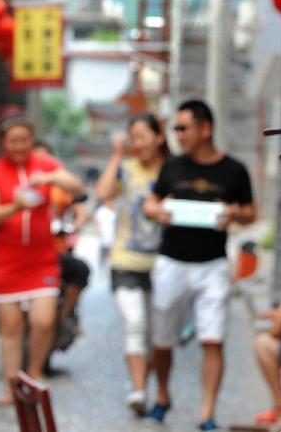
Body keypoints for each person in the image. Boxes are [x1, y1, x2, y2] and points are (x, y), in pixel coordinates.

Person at [142, 100, 256, 431]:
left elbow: (250, 213)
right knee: (162, 338)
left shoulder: (234, 170)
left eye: (183, 128)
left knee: (213, 338)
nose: (177, 135)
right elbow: (151, 202)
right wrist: (157, 211)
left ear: (205, 129)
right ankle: (162, 395)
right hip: (171, 262)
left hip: (213, 265)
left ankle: (207, 413)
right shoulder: (171, 166)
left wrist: (233, 213)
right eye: (175, 129)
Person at [0, 115, 83, 405]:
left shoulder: (45, 165)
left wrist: (50, 178)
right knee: (10, 328)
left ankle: (35, 371)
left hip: (41, 260)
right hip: (6, 261)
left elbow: (75, 185)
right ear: (3, 143)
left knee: (43, 320)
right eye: (13, 141)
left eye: (24, 140)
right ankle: (12, 386)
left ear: (32, 140)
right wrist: (15, 206)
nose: (19, 146)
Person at [94, 113, 168, 417]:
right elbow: (102, 193)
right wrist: (116, 154)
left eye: (142, 136)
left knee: (156, 335)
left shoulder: (171, 170)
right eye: (133, 137)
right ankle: (138, 390)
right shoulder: (126, 169)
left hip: (164, 264)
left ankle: (151, 387)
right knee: (135, 325)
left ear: (159, 137)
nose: (138, 143)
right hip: (125, 261)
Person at [33, 141, 90, 358]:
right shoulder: (18, 182)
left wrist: (75, 226)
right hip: (25, 253)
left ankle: (65, 314)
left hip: (56, 250)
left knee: (80, 270)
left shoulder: (60, 187)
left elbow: (80, 207)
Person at [252, 250, 281, 426]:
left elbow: (276, 331)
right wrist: (277, 313)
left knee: (262, 343)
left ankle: (279, 405)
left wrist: (278, 317)